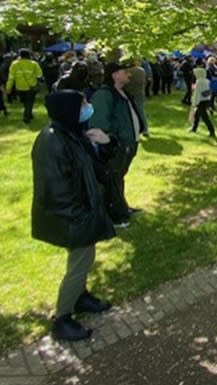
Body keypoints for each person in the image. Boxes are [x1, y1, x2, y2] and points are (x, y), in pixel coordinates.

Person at [31, 90, 116, 341]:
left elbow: (97, 169)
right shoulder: (52, 140)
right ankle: (62, 318)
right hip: (72, 215)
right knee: (79, 263)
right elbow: (55, 189)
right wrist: (80, 216)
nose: (88, 107)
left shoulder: (73, 134)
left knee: (85, 259)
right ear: (68, 109)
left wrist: (105, 143)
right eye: (83, 104)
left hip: (83, 211)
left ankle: (80, 297)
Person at [88, 62, 144, 228]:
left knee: (119, 177)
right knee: (111, 179)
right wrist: (112, 141)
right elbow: (98, 122)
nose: (129, 74)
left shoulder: (122, 92)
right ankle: (113, 216)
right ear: (114, 75)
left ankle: (122, 207)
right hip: (117, 145)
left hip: (129, 142)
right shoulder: (105, 95)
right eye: (124, 71)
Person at [6, 48, 43, 124]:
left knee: (25, 102)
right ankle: (26, 117)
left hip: (19, 87)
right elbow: (39, 75)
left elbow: (11, 77)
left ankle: (29, 114)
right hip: (31, 86)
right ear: (29, 55)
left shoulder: (14, 64)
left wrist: (8, 87)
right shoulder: (34, 63)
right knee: (29, 102)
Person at [189, 62, 215, 138]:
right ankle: (194, 129)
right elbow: (208, 92)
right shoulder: (207, 81)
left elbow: (197, 93)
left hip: (201, 101)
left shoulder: (199, 82)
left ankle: (212, 131)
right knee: (197, 116)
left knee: (205, 117)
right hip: (206, 100)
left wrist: (194, 102)